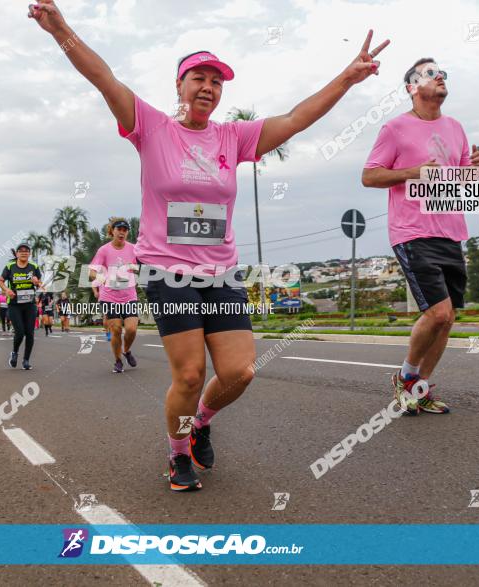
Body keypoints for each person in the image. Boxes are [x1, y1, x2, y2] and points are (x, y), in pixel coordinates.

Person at [29, 1, 388, 491]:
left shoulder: (233, 137)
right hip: (166, 271)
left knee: (240, 371)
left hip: (221, 273)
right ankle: (177, 454)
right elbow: (104, 78)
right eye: (199, 78)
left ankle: (200, 423)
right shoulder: (152, 128)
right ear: (180, 85)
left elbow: (298, 117)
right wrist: (60, 29)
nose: (208, 88)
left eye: (216, 82)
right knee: (191, 373)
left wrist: (347, 78)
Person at [362, 57, 479, 415]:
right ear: (412, 88)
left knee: (448, 319)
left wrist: (475, 170)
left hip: (451, 231)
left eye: (443, 73)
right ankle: (405, 378)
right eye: (432, 73)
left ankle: (418, 389)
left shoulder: (456, 128)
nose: (441, 77)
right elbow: (369, 176)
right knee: (437, 313)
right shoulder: (394, 129)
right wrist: (412, 172)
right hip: (412, 232)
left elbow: (460, 180)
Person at [89, 218, 138, 373]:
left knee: (131, 330)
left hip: (129, 294)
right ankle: (118, 360)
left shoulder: (133, 249)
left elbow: (138, 266)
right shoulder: (104, 250)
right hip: (109, 296)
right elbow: (91, 272)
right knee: (116, 329)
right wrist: (104, 278)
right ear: (112, 231)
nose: (122, 232)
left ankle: (126, 350)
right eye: (119, 229)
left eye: (125, 230)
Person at [0, 242, 42, 370]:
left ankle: (26, 360)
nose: (24, 252)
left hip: (29, 304)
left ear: (29, 254)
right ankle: (14, 352)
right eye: (21, 250)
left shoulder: (34, 266)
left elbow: (40, 284)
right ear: (17, 253)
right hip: (14, 305)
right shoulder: (10, 266)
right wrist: (7, 290)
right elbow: (0, 281)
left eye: (26, 251)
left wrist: (37, 282)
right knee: (20, 332)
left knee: (30, 333)